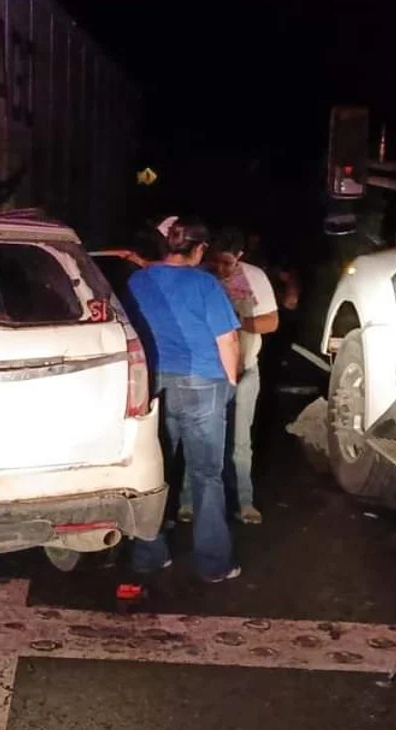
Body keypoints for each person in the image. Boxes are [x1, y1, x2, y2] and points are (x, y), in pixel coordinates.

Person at [124, 216, 243, 583]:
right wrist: (232, 382)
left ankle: (148, 553)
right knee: (207, 475)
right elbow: (228, 340)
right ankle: (212, 563)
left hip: (155, 383)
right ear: (199, 248)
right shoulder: (205, 284)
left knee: (152, 472)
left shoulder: (137, 281)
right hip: (203, 383)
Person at [203, 238, 278, 525]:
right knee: (202, 441)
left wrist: (236, 322)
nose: (221, 269)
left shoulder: (254, 276)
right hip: (210, 372)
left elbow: (271, 322)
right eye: (216, 262)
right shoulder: (202, 276)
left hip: (245, 369)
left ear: (240, 256)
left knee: (240, 441)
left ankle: (244, 501)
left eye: (228, 263)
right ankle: (189, 502)